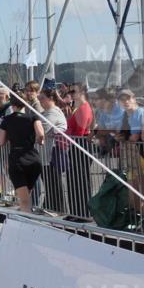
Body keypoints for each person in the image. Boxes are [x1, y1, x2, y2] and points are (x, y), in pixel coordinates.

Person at [0, 94, 45, 213]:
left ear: (12, 106)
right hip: (33, 158)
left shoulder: (7, 120)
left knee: (23, 199)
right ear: (25, 104)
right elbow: (41, 134)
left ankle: (27, 221)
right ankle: (28, 213)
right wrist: (40, 141)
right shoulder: (33, 118)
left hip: (17, 159)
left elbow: (1, 141)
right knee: (27, 195)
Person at [65, 83, 94, 218]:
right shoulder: (79, 108)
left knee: (79, 181)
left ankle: (81, 212)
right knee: (75, 180)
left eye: (73, 91)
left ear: (82, 92)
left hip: (79, 146)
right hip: (77, 145)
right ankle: (76, 212)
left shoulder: (83, 108)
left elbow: (80, 130)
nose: (71, 93)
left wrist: (68, 135)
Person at [38, 89, 68, 213]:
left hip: (51, 154)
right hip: (45, 154)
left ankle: (56, 208)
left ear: (51, 98)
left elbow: (43, 129)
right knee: (49, 182)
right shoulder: (46, 112)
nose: (40, 101)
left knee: (53, 183)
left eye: (42, 98)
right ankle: (50, 206)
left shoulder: (53, 112)